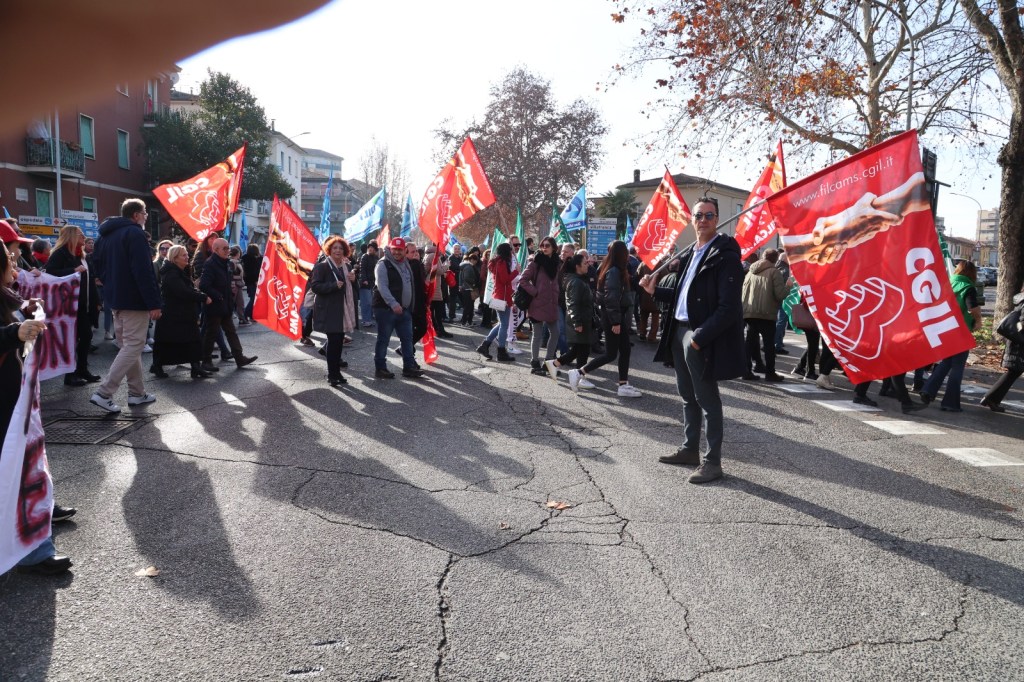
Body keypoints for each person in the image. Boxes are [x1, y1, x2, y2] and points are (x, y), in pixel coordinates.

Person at [640, 198, 745, 484]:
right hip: (678, 330)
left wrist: (699, 338)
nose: (703, 220)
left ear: (717, 218)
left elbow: (729, 307)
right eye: (698, 215)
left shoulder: (725, 256)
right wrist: (653, 290)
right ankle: (689, 450)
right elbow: (681, 298)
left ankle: (713, 463)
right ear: (692, 219)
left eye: (709, 215)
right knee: (687, 397)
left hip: (697, 335)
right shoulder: (692, 253)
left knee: (708, 400)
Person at [1, 229, 74, 576]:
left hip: (15, 404)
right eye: (12, 259)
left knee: (22, 468)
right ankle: (29, 543)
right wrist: (13, 332)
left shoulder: (8, 297)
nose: (17, 268)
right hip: (6, 408)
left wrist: (27, 315)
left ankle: (34, 534)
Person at [89, 199, 163, 414]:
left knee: (128, 346)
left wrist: (111, 285)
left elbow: (97, 265)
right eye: (145, 213)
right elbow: (143, 271)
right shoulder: (135, 234)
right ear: (136, 215)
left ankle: (137, 393)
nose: (147, 216)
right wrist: (154, 303)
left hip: (115, 299)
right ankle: (104, 392)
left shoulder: (104, 235)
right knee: (133, 346)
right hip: (134, 300)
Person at [567, 240, 642, 397]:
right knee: (611, 354)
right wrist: (615, 321)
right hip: (613, 317)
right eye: (626, 252)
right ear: (621, 254)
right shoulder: (614, 271)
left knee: (624, 350)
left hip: (614, 315)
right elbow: (611, 297)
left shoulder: (613, 269)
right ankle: (579, 372)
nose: (628, 255)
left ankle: (623, 384)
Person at [920, 261, 982, 412]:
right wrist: (979, 321)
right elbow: (972, 307)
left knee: (946, 362)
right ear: (972, 274)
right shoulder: (968, 287)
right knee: (957, 367)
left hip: (945, 327)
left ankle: (928, 389)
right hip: (960, 330)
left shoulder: (947, 283)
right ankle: (950, 402)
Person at [44, 225, 100, 386]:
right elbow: (50, 274)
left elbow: (91, 280)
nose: (83, 236)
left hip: (85, 303)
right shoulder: (60, 253)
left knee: (85, 336)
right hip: (69, 305)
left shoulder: (83, 256)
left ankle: (82, 369)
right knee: (73, 338)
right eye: (80, 234)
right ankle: (70, 374)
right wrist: (73, 270)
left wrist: (96, 300)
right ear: (70, 236)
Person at [151, 245, 212, 380]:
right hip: (173, 315)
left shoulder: (180, 271)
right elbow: (183, 292)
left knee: (192, 340)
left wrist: (200, 294)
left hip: (183, 313)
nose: (187, 257)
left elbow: (189, 288)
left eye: (186, 254)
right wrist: (203, 297)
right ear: (175, 258)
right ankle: (157, 365)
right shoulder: (171, 273)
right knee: (168, 342)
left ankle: (195, 367)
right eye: (183, 255)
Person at [199, 238, 258, 373]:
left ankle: (239, 357)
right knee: (211, 333)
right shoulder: (211, 264)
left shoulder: (225, 263)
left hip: (225, 305)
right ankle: (206, 361)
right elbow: (204, 285)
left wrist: (229, 298)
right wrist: (218, 295)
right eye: (224, 248)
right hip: (215, 306)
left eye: (228, 248)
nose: (228, 251)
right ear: (216, 249)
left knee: (231, 332)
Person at [372, 237, 424, 379]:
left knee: (407, 339)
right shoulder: (383, 264)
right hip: (386, 310)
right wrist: (393, 304)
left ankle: (409, 367)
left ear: (404, 250)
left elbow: (410, 285)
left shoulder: (405, 263)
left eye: (400, 250)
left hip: (404, 310)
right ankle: (380, 368)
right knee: (384, 339)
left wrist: (409, 306)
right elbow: (382, 287)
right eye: (394, 249)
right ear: (390, 249)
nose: (397, 252)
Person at [310, 236, 356, 387]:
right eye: (335, 248)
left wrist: (354, 279)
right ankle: (332, 374)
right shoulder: (322, 266)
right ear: (329, 250)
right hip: (329, 310)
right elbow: (315, 287)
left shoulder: (347, 266)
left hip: (343, 310)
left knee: (338, 343)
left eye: (340, 248)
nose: (338, 250)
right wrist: (332, 285)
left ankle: (337, 372)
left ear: (345, 251)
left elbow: (352, 288)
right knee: (334, 342)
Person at [543, 254, 595, 387]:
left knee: (581, 349)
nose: (587, 265)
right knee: (580, 350)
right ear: (577, 267)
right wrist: (577, 322)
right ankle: (578, 376)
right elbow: (572, 304)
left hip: (583, 319)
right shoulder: (576, 282)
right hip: (579, 320)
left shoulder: (579, 279)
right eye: (585, 263)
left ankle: (557, 366)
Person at [741, 249, 788, 382]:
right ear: (775, 259)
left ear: (763, 257)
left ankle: (746, 370)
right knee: (768, 345)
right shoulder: (774, 272)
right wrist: (788, 286)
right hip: (767, 313)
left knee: (749, 343)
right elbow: (780, 294)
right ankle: (770, 373)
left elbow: (744, 292)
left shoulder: (750, 271)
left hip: (750, 312)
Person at [521, 236, 562, 375]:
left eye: (547, 245)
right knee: (537, 335)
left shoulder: (557, 262)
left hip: (551, 303)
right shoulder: (535, 263)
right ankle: (534, 362)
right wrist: (535, 292)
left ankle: (548, 362)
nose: (544, 247)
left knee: (555, 333)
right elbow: (523, 280)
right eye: (543, 245)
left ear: (554, 248)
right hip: (537, 303)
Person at [981, 286, 1024, 412]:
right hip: (1019, 342)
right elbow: (1022, 322)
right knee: (1013, 371)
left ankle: (991, 398)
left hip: (1016, 341)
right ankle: (990, 398)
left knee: (1013, 372)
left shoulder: (1020, 299)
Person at [476, 242, 516, 362]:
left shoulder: (498, 262)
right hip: (502, 296)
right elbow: (505, 280)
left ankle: (485, 345)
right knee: (504, 325)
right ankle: (501, 351)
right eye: (510, 250)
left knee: (501, 324)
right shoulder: (501, 263)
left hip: (500, 295)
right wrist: (516, 272)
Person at [423, 245, 453, 338]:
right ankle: (439, 330)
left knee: (434, 310)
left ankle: (437, 329)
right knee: (437, 310)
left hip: (434, 283)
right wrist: (447, 265)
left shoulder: (430, 254)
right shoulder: (433, 255)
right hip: (434, 285)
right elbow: (438, 271)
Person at [358, 241, 379, 327]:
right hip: (365, 283)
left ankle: (369, 319)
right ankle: (366, 320)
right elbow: (362, 269)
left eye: (372, 248)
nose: (370, 249)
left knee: (371, 302)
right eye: (369, 247)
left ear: (375, 250)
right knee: (366, 302)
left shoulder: (376, 258)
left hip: (372, 283)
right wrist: (364, 279)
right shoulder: (365, 256)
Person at [241, 243, 262, 322]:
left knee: (253, 298)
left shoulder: (245, 258)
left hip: (249, 281)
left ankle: (251, 314)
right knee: (253, 298)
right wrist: (255, 281)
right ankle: (246, 314)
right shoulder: (253, 260)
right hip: (254, 281)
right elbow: (254, 271)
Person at [458, 251, 481, 326]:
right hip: (469, 289)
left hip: (467, 288)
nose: (475, 262)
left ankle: (467, 321)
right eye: (475, 260)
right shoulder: (468, 267)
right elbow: (467, 278)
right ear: (471, 260)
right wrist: (474, 283)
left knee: (469, 307)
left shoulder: (466, 266)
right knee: (468, 307)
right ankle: (464, 322)